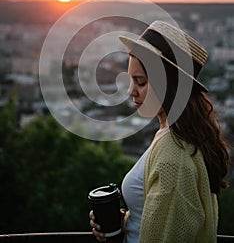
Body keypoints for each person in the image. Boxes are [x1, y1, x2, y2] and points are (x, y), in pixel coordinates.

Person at [89, 20, 230, 243]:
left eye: (141, 82)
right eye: (131, 80)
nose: (130, 91)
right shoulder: (171, 133)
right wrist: (126, 222)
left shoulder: (174, 155)